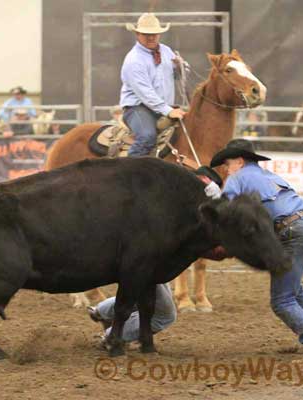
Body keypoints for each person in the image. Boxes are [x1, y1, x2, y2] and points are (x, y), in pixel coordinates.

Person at [208, 139, 303, 365]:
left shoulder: (237, 178)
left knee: (282, 300)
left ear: (239, 161)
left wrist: (210, 195)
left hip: (293, 232)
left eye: (227, 164)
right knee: (293, 289)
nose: (226, 169)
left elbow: (227, 210)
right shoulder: (270, 176)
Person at [87, 168, 224, 346]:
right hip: (149, 261)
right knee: (165, 316)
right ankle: (111, 335)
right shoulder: (190, 214)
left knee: (145, 298)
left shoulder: (171, 199)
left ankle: (101, 311)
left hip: (146, 258)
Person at [120, 13, 186, 156]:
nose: (151, 37)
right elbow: (145, 93)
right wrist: (168, 111)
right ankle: (130, 174)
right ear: (137, 34)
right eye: (146, 34)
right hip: (137, 108)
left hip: (162, 107)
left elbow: (179, 74)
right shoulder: (134, 60)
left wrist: (181, 66)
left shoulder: (166, 51)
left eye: (154, 34)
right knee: (146, 137)